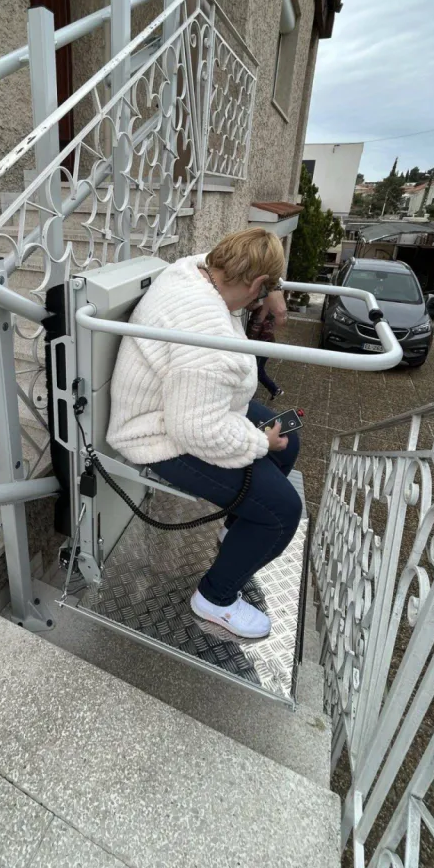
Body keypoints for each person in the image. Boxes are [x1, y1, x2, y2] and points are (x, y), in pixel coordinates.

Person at [107, 228, 302, 640]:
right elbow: (197, 430)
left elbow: (201, 404)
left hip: (189, 402)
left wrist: (273, 290)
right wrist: (257, 443)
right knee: (282, 513)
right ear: (252, 285)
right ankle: (215, 598)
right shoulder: (208, 337)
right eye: (261, 292)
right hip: (160, 432)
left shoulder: (193, 270)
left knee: (290, 439)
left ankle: (238, 530)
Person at [246, 291, 287, 399]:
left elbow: (253, 332)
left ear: (252, 303)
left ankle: (274, 390)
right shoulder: (265, 309)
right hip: (267, 344)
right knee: (258, 369)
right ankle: (274, 390)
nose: (246, 309)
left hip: (261, 346)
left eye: (247, 306)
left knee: (257, 370)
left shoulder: (258, 314)